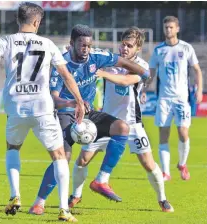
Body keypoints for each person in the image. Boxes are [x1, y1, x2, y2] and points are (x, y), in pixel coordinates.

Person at [0, 2, 85, 222]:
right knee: (58, 155)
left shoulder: (5, 41)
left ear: (18, 20)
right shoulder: (48, 44)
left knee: (13, 147)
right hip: (42, 107)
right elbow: (66, 74)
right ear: (37, 22)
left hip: (15, 107)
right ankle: (64, 210)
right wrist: (80, 101)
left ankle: (15, 195)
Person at [29, 24, 150, 215]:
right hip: (65, 113)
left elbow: (122, 62)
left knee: (122, 128)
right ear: (72, 44)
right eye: (81, 45)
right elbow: (54, 98)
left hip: (88, 111)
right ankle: (39, 202)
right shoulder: (61, 65)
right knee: (64, 158)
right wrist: (72, 103)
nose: (86, 49)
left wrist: (144, 73)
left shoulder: (96, 57)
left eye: (88, 45)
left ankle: (101, 179)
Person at [66, 27, 174, 212]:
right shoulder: (110, 60)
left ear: (137, 49)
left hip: (132, 124)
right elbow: (89, 60)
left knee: (148, 164)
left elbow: (125, 81)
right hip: (107, 122)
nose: (124, 48)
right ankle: (75, 195)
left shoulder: (142, 66)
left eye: (129, 46)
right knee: (83, 159)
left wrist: (103, 74)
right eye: (123, 44)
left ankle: (162, 199)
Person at [141, 16, 203, 181]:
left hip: (181, 99)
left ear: (177, 29)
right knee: (164, 133)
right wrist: (145, 89)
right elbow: (151, 72)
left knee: (183, 132)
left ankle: (182, 164)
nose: (168, 30)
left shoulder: (186, 48)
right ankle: (165, 172)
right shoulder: (159, 50)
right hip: (164, 99)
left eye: (171, 27)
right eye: (166, 27)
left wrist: (199, 90)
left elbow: (197, 70)